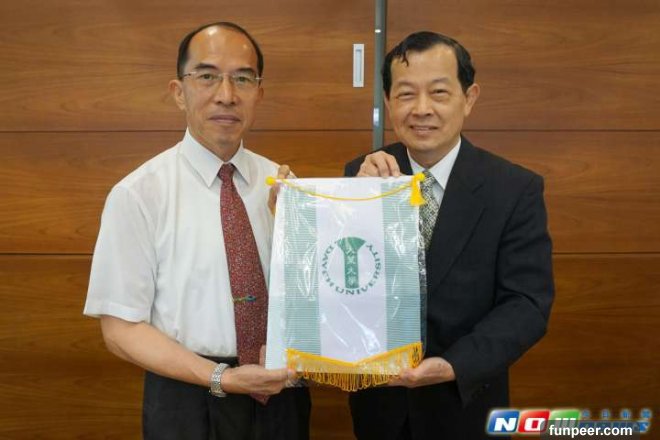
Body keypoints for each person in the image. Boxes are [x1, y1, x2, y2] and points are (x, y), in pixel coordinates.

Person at [83, 22, 310, 440]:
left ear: (259, 94)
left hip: (281, 397)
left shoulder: (286, 187)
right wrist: (220, 377)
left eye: (243, 79)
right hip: (187, 396)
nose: (226, 94)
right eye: (207, 76)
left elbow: (317, 300)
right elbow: (120, 329)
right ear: (178, 92)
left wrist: (297, 234)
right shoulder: (139, 194)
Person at [344, 31, 554, 439]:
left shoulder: (513, 188)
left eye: (439, 93)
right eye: (406, 94)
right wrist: (356, 202)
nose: (422, 109)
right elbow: (344, 283)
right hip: (380, 411)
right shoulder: (361, 174)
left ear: (469, 98)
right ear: (388, 101)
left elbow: (527, 304)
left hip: (465, 406)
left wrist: (453, 365)